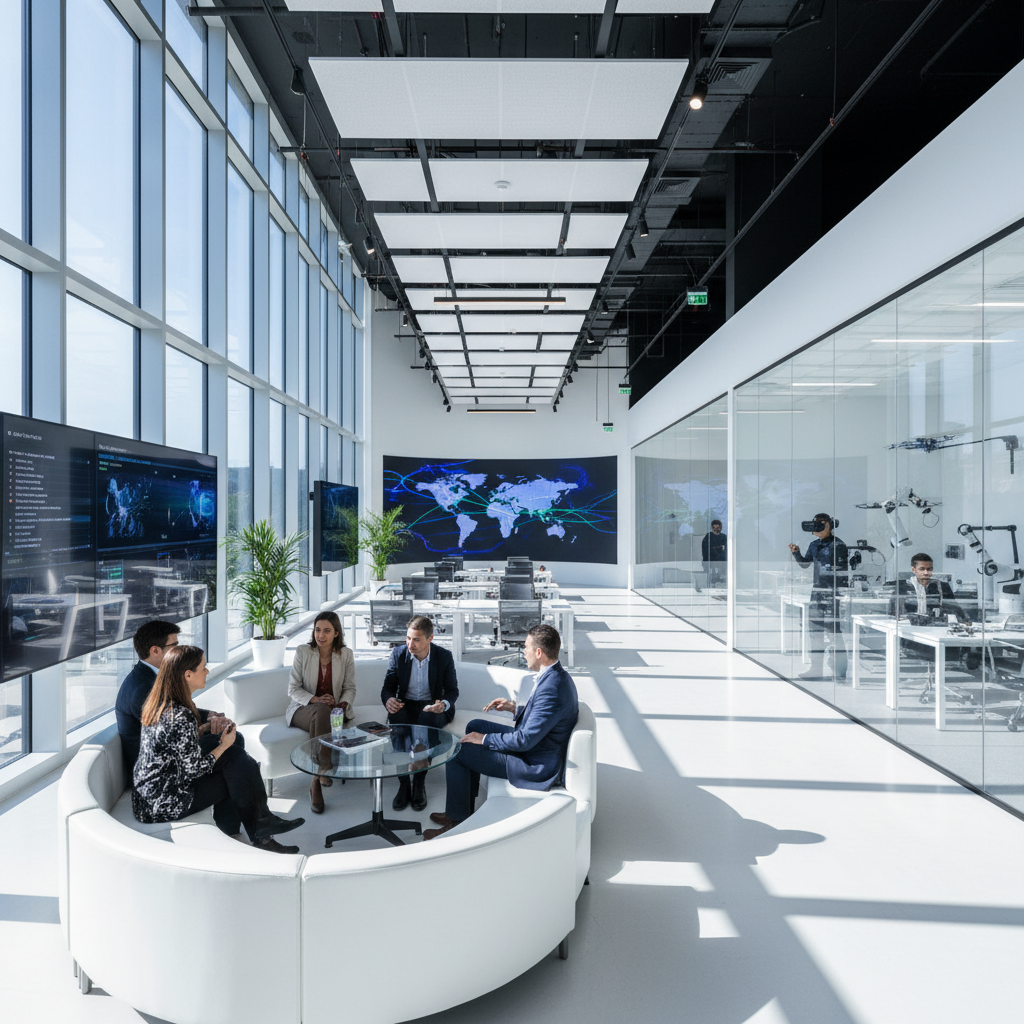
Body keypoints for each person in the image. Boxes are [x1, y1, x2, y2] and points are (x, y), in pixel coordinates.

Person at [132, 645, 304, 853]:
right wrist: (223, 745)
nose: (207, 671)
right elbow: (193, 770)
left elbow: (175, 748)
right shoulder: (180, 715)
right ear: (187, 675)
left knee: (236, 748)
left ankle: (244, 827)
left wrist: (205, 729)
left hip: (150, 792)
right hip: (164, 803)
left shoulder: (161, 701)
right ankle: (261, 832)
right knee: (237, 771)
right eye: (203, 667)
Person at [423, 623, 578, 840]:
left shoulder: (552, 688)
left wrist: (484, 739)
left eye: (526, 647)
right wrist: (514, 707)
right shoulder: (555, 676)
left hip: (533, 762)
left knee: (459, 751)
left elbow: (523, 741)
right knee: (475, 724)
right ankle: (464, 807)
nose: (524, 652)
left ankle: (456, 820)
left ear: (539, 652)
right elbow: (546, 717)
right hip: (538, 746)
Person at [115, 619, 241, 775]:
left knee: (231, 741)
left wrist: (209, 716)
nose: (179, 649)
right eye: (174, 646)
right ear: (155, 651)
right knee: (231, 744)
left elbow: (175, 711)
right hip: (157, 771)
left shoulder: (154, 677)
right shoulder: (142, 689)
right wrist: (209, 726)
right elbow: (174, 733)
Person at [381, 615, 459, 812]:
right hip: (406, 704)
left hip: (432, 706)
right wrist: (389, 699)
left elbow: (452, 690)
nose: (410, 644)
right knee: (397, 719)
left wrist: (444, 704)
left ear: (430, 638)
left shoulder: (444, 656)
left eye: (416, 639)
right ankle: (404, 784)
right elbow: (388, 688)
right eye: (408, 638)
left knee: (428, 718)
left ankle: (419, 782)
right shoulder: (398, 654)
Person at [286, 611, 357, 814]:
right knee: (321, 711)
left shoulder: (345, 654)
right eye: (317, 630)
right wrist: (316, 699)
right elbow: (293, 689)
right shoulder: (303, 652)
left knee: (326, 713)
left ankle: (315, 780)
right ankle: (324, 767)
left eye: (327, 631)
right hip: (303, 708)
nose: (321, 635)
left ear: (336, 633)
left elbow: (350, 688)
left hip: (332, 710)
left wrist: (341, 704)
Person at [788, 512, 850, 682]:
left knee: (834, 633)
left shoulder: (839, 545)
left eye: (821, 524)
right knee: (815, 632)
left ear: (829, 525)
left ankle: (840, 672)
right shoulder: (814, 544)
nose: (817, 528)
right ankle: (816, 669)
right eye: (815, 525)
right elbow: (805, 564)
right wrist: (796, 553)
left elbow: (842, 571)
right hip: (817, 592)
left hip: (833, 593)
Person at [701, 519, 727, 586]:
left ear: (720, 528)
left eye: (717, 528)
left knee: (721, 579)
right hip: (710, 561)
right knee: (711, 580)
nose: (716, 530)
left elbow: (726, 550)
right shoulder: (708, 536)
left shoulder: (724, 537)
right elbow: (705, 549)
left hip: (721, 562)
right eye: (714, 528)